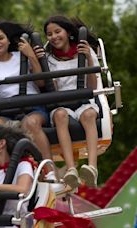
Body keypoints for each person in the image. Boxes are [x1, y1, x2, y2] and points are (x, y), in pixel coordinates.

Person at [0, 20, 54, 180]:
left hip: (30, 105)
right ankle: (3, 172)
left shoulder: (21, 56)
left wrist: (30, 55)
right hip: (6, 109)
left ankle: (49, 169)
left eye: (0, 38)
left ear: (9, 40)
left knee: (30, 123)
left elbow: (40, 82)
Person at [41, 15, 100, 188]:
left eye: (57, 31)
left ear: (67, 33)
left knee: (89, 115)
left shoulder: (84, 53)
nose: (54, 37)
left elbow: (93, 85)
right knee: (60, 116)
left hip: (83, 100)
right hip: (61, 103)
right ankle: (71, 169)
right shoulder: (49, 59)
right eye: (49, 34)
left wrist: (89, 58)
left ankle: (92, 167)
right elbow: (50, 89)